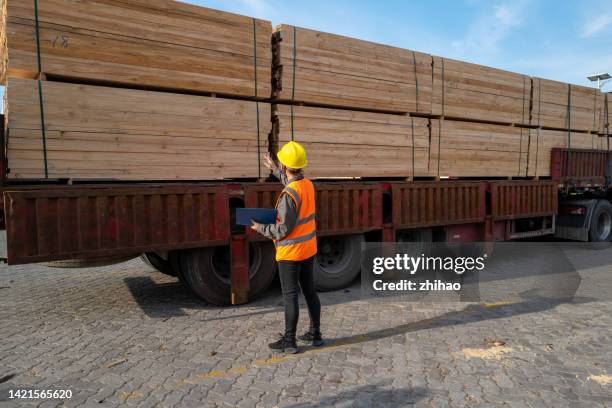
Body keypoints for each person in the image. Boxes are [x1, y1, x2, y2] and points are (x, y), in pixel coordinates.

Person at [250, 141, 323, 354]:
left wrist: (259, 227)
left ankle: (289, 341)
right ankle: (315, 334)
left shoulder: (288, 196)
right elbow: (291, 182)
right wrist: (273, 168)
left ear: (285, 166)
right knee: (309, 291)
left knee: (290, 295)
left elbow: (282, 230)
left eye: (280, 163)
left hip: (290, 253)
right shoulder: (307, 184)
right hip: (308, 248)